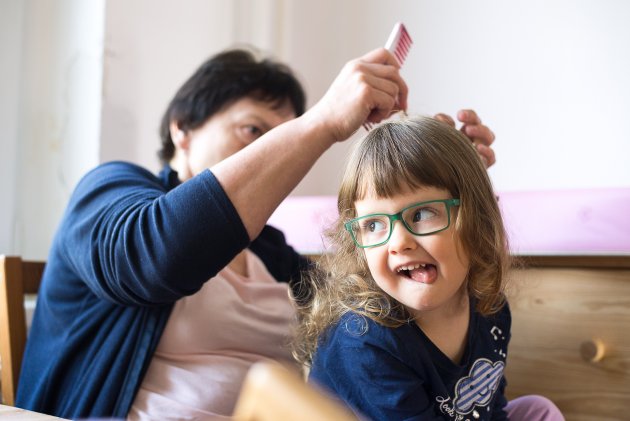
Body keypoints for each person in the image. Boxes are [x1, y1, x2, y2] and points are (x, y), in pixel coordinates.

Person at [16, 45, 494, 420]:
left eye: (283, 134)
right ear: (182, 129)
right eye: (253, 130)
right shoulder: (109, 190)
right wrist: (322, 123)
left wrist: (442, 185)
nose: (276, 151)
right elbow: (152, 257)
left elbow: (378, 306)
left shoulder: (270, 251)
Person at [293, 116, 564, 420]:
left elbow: (490, 408)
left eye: (422, 214)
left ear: (476, 219)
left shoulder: (491, 309)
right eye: (374, 224)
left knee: (539, 411)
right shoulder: (364, 341)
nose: (398, 243)